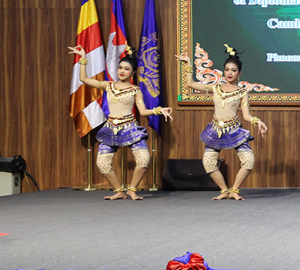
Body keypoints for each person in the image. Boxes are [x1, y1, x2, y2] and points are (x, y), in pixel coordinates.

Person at [68, 44, 172, 200]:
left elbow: (143, 111)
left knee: (144, 159)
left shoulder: (135, 90)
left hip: (130, 128)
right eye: (120, 67)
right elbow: (83, 79)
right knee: (102, 163)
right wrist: (83, 58)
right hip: (111, 128)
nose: (122, 71)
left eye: (126, 69)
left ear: (133, 72)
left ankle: (132, 189)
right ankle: (119, 190)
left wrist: (158, 110)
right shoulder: (108, 85)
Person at [175, 44, 268, 200]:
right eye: (227, 70)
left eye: (233, 70)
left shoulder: (242, 92)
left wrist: (257, 121)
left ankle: (234, 190)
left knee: (248, 160)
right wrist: (188, 64)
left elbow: (246, 115)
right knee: (208, 162)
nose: (229, 73)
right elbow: (191, 84)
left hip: (235, 130)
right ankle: (224, 190)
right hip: (216, 130)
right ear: (223, 71)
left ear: (239, 73)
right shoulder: (215, 88)